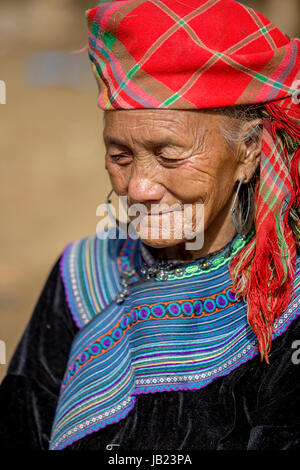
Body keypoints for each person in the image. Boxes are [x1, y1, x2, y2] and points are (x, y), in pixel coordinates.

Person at [0, 0, 299, 451]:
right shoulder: (82, 275)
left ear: (249, 151)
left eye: (170, 156)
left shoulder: (283, 298)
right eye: (119, 156)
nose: (138, 188)